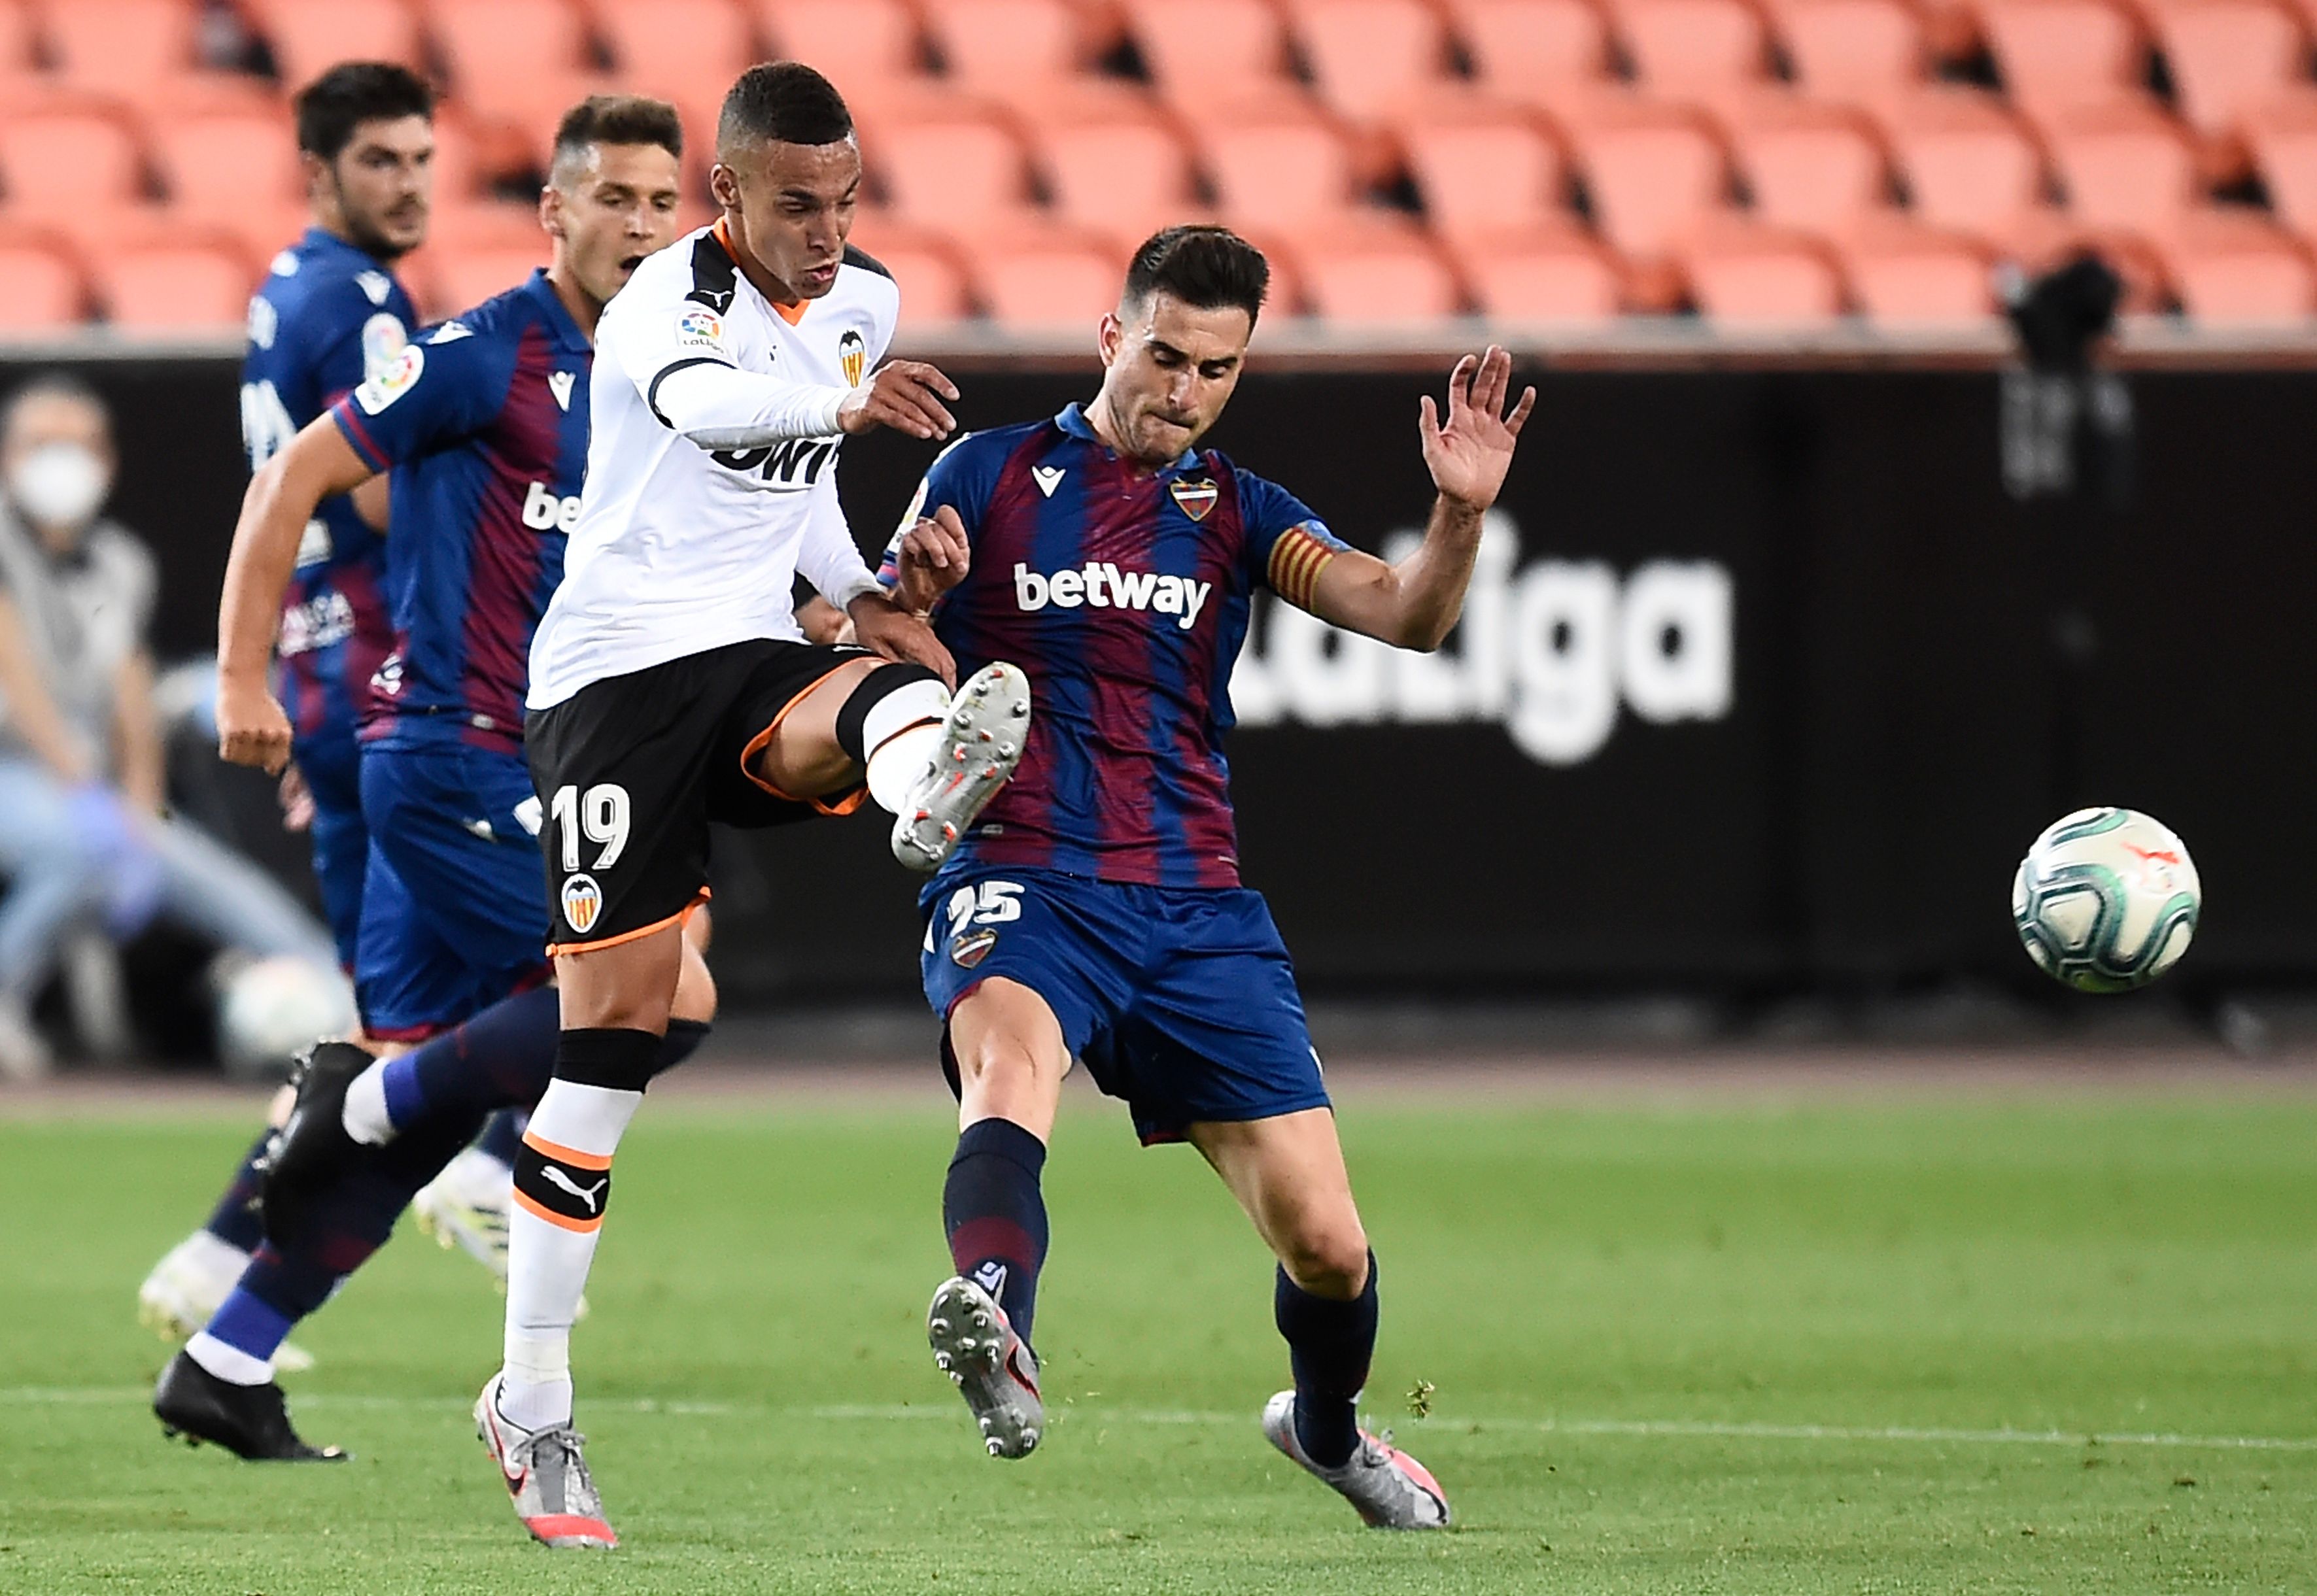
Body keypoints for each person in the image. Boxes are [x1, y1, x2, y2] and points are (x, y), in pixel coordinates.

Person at [884, 226, 1534, 1530]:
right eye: (1165, 355)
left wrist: (1459, 510)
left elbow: (1408, 616)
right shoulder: (985, 473)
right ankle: (996, 1318)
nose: (1183, 390)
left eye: (1215, 369)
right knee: (1009, 1070)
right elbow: (871, 625)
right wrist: (912, 600)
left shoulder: (1237, 510)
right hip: (1022, 866)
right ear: (1110, 337)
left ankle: (1326, 1429)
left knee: (1328, 1246)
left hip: (1193, 903)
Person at [468, 62, 1033, 1551]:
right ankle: (530, 1398)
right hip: (608, 685)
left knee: (879, 688)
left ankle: (925, 785)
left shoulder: (863, 302)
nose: (829, 234)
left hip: (746, 650)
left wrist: (869, 589)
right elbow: (713, 413)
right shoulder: (665, 301)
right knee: (607, 1056)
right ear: (725, 193)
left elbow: (798, 502)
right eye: (797, 205)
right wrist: (843, 400)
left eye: (846, 201)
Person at [152, 97, 717, 1464]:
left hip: (536, 756)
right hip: (455, 752)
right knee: (662, 993)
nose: (642, 227)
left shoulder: (670, 380)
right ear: (555, 212)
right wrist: (240, 679)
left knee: (437, 1066)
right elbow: (293, 476)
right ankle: (370, 1106)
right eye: (615, 199)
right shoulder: (480, 351)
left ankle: (226, 1355)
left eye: (663, 203)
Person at [137, 61, 436, 1351]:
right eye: (381, 161)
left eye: (421, 160)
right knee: (490, 993)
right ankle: (480, 1182)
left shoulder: (281, 289)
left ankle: (218, 1255)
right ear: (317, 169)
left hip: (325, 671)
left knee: (385, 1015)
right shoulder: (360, 299)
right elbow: (378, 492)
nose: (409, 185)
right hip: (381, 677)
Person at [0, 378, 342, 1081]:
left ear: (107, 459)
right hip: (22, 771)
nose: (60, 460)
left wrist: (141, 805)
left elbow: (130, 687)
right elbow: (18, 677)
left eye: (77, 444)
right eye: (42, 443)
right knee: (75, 852)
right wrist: (84, 791)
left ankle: (338, 1000)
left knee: (229, 889)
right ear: (8, 456)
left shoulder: (122, 560)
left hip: (87, 786)